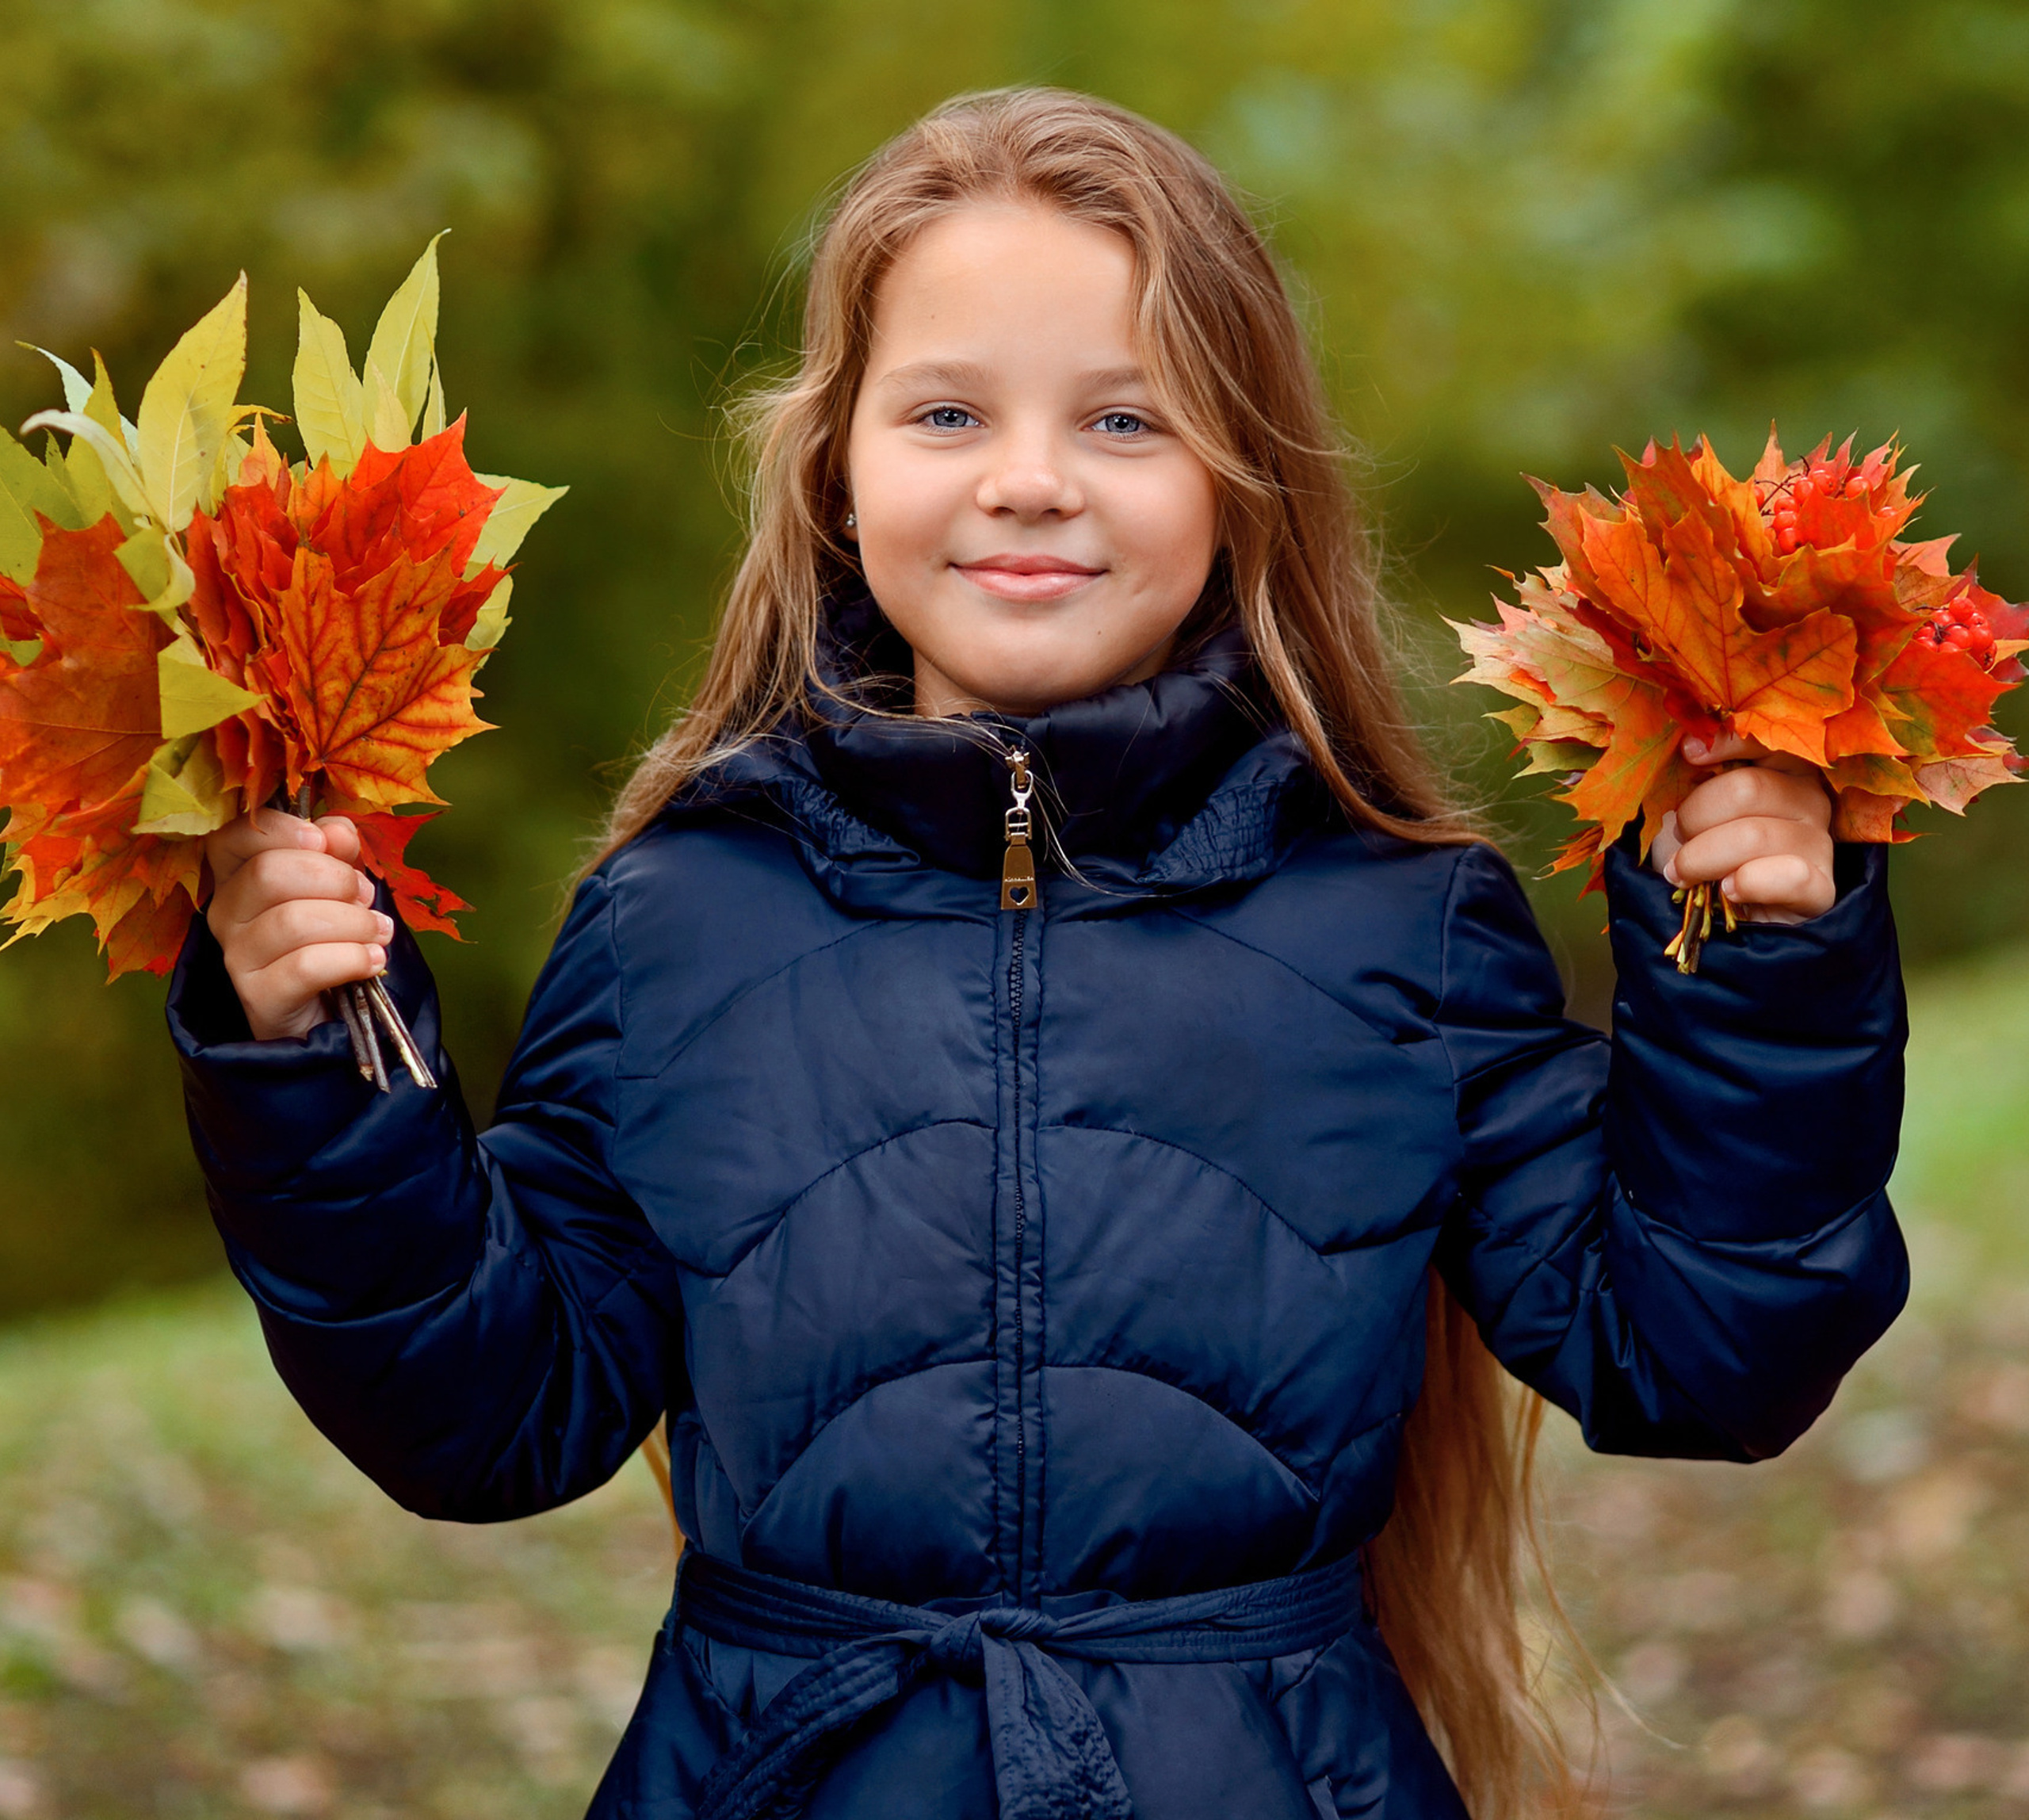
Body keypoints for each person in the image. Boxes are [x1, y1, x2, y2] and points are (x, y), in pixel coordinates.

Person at [170, 89, 1908, 1820]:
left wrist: (1761, 972)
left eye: (1124, 419)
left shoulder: (1395, 916)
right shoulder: (679, 914)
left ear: (1238, 481)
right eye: (946, 411)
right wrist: (317, 1056)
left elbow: (1703, 1355)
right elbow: (484, 1413)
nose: (1026, 480)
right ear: (836, 467)